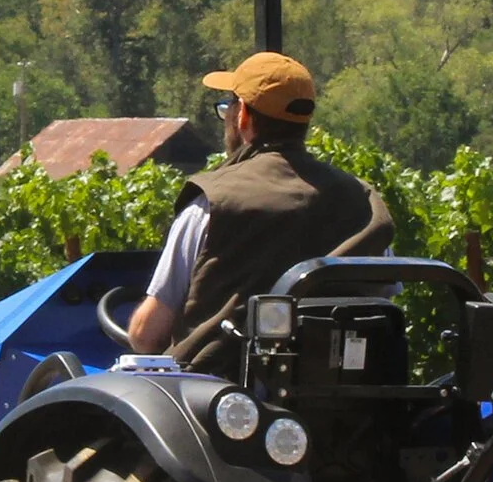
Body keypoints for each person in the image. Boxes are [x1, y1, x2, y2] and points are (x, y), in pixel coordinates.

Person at [125, 51, 393, 371]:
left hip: (222, 406)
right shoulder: (363, 203)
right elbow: (381, 307)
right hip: (344, 407)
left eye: (229, 107)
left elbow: (147, 337)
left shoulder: (211, 205)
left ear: (244, 118)